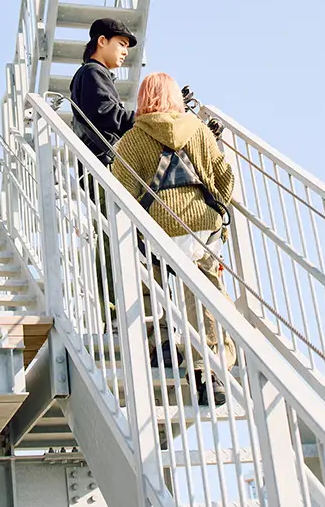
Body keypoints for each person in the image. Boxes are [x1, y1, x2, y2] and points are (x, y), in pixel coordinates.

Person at [110, 72, 236, 406]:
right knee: (205, 294)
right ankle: (209, 370)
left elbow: (120, 193)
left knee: (152, 280)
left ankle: (162, 341)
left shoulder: (132, 140)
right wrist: (216, 210)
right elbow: (224, 176)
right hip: (201, 224)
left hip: (160, 229)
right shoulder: (196, 128)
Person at [69, 17, 138, 165]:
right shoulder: (92, 71)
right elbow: (107, 114)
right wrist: (145, 118)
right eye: (122, 44)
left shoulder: (94, 73)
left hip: (101, 162)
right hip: (104, 163)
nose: (126, 52)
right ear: (102, 41)